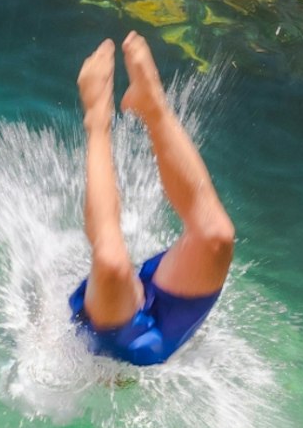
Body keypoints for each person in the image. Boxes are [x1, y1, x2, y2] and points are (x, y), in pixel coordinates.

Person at [72, 31, 237, 370]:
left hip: (110, 337)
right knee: (216, 235)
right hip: (157, 334)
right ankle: (144, 107)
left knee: (114, 262)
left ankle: (104, 117)